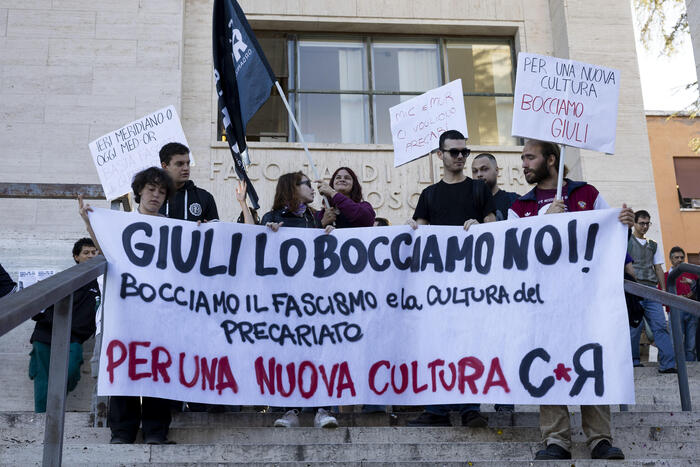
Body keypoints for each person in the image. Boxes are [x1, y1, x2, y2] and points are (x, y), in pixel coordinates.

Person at [509, 138, 632, 461]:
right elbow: (510, 251)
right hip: (541, 303)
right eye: (523, 157)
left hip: (586, 300)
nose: (523, 163)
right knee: (546, 362)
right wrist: (543, 220)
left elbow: (610, 231)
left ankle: (600, 439)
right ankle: (556, 439)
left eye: (529, 157)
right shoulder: (519, 207)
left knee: (591, 361)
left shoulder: (586, 194)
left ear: (551, 160)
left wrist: (623, 224)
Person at [80, 167, 177, 444]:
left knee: (159, 370)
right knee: (124, 370)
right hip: (125, 313)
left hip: (162, 313)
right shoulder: (121, 223)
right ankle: (122, 431)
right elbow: (105, 250)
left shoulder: (174, 228)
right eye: (151, 190)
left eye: (161, 192)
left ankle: (156, 431)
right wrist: (89, 223)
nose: (156, 196)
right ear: (139, 192)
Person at [407, 130, 497, 428]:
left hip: (473, 282)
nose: (460, 157)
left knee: (470, 341)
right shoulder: (429, 195)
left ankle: (471, 407)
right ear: (440, 156)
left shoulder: (478, 190)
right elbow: (419, 238)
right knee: (437, 343)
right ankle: (437, 409)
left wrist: (481, 228)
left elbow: (494, 229)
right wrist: (410, 229)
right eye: (454, 152)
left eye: (464, 152)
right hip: (437, 284)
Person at [261, 172, 337, 429]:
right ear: (291, 188)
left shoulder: (312, 219)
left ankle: (322, 409)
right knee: (287, 354)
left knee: (318, 352)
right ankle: (289, 410)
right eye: (306, 183)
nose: (312, 187)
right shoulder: (270, 219)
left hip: (313, 302)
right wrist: (268, 236)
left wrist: (328, 235)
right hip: (282, 303)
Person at [28, 238, 99, 413]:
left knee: (71, 370)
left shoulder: (103, 282)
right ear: (76, 257)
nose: (91, 256)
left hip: (74, 338)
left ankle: (53, 409)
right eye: (86, 253)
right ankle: (44, 417)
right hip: (46, 333)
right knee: (43, 377)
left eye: (94, 252)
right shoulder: (63, 278)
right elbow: (37, 309)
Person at [470, 152, 517, 415]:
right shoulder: (466, 200)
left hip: (506, 286)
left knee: (503, 341)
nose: (479, 175)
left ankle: (504, 398)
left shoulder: (512, 201)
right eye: (475, 170)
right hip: (474, 289)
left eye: (484, 169)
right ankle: (471, 401)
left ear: (497, 171)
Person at [627, 210, 677, 373]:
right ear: (634, 223)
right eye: (641, 223)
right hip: (633, 288)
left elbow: (658, 268)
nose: (645, 226)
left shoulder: (653, 244)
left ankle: (667, 364)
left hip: (651, 289)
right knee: (634, 326)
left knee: (660, 325)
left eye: (647, 223)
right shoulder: (626, 241)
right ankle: (633, 361)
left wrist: (662, 292)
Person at [159, 142, 219, 222]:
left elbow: (215, 232)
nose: (186, 168)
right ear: (164, 166)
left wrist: (206, 228)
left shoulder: (205, 197)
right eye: (179, 164)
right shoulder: (153, 197)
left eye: (188, 163)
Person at [665, 246, 698, 361]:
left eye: (682, 257)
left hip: (691, 310)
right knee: (675, 342)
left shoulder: (692, 274)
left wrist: (692, 293)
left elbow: (698, 290)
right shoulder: (665, 276)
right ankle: (677, 367)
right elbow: (660, 296)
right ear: (671, 259)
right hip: (675, 311)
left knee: (691, 344)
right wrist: (675, 298)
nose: (679, 259)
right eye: (676, 257)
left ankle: (692, 368)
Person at [471, 152, 519, 221]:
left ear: (496, 170)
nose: (479, 174)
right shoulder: (467, 203)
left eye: (484, 169)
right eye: (474, 171)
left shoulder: (514, 200)